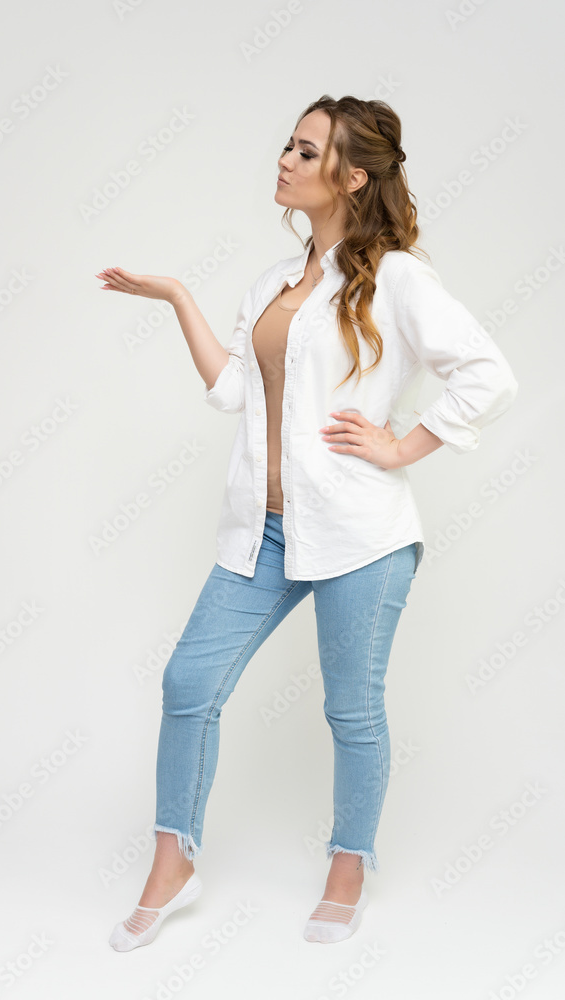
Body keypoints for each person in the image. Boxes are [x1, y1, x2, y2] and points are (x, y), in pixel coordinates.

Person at [97, 95, 519, 950]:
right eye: (286, 145)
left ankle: (348, 863)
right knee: (188, 686)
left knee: (350, 711)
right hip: (265, 532)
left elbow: (487, 373)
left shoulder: (394, 276)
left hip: (361, 537)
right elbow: (232, 393)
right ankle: (173, 861)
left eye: (304, 149)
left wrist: (403, 447)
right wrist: (177, 295)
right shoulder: (273, 284)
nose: (283, 160)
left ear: (351, 176)